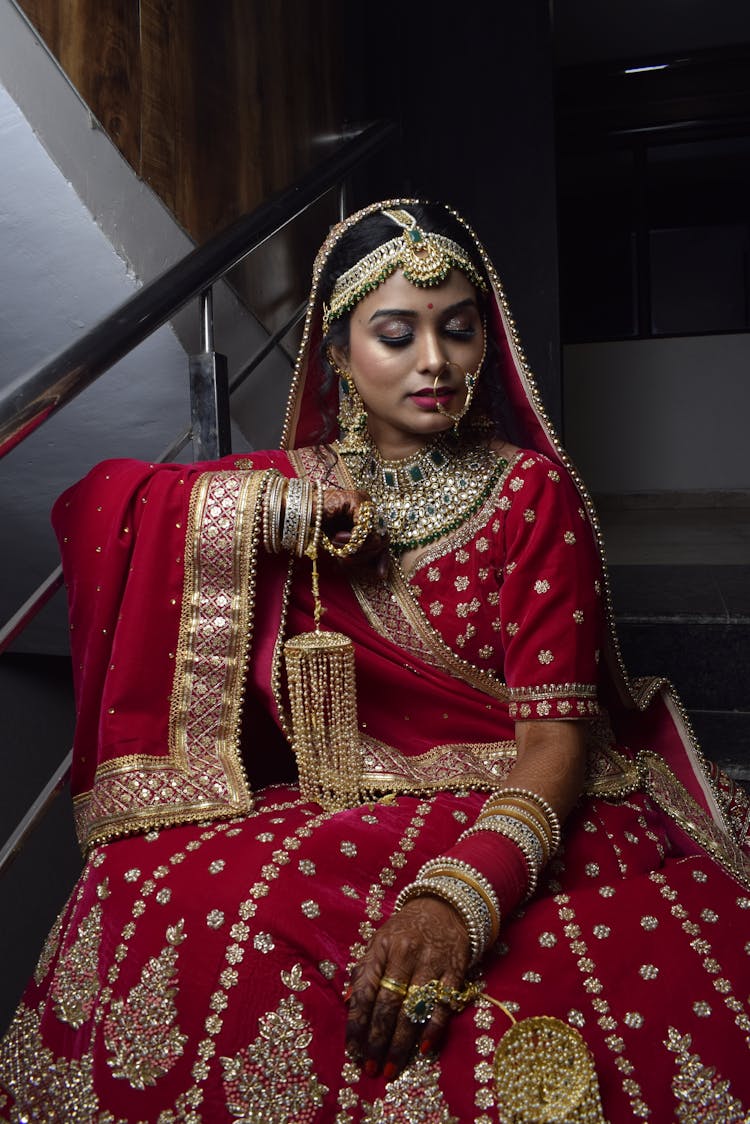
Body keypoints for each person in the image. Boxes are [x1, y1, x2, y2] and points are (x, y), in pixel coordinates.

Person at [1, 200, 748, 1124]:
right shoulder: (288, 487)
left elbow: (555, 741)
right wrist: (277, 519)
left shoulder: (529, 494)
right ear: (339, 352)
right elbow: (96, 504)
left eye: (459, 330)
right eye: (396, 333)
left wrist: (459, 900)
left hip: (512, 801)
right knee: (152, 886)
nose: (435, 362)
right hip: (338, 798)